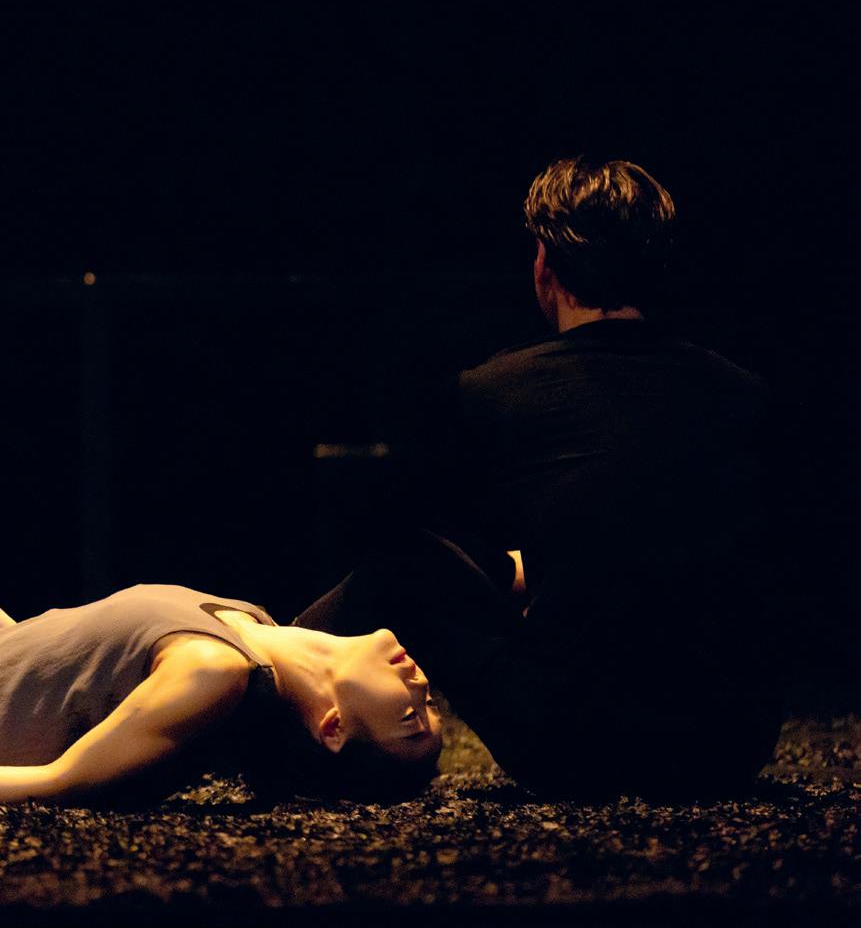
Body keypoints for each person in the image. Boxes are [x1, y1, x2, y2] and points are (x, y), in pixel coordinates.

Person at [293, 156, 785, 801]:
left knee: (402, 565)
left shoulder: (495, 392)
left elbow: (417, 548)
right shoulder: (744, 395)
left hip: (579, 748)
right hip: (733, 744)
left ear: (545, 265)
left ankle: (257, 682)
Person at [0, 583, 441, 805]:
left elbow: (59, 780)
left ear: (334, 728)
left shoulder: (215, 673)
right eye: (430, 705)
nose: (421, 686)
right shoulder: (254, 623)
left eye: (410, 717)